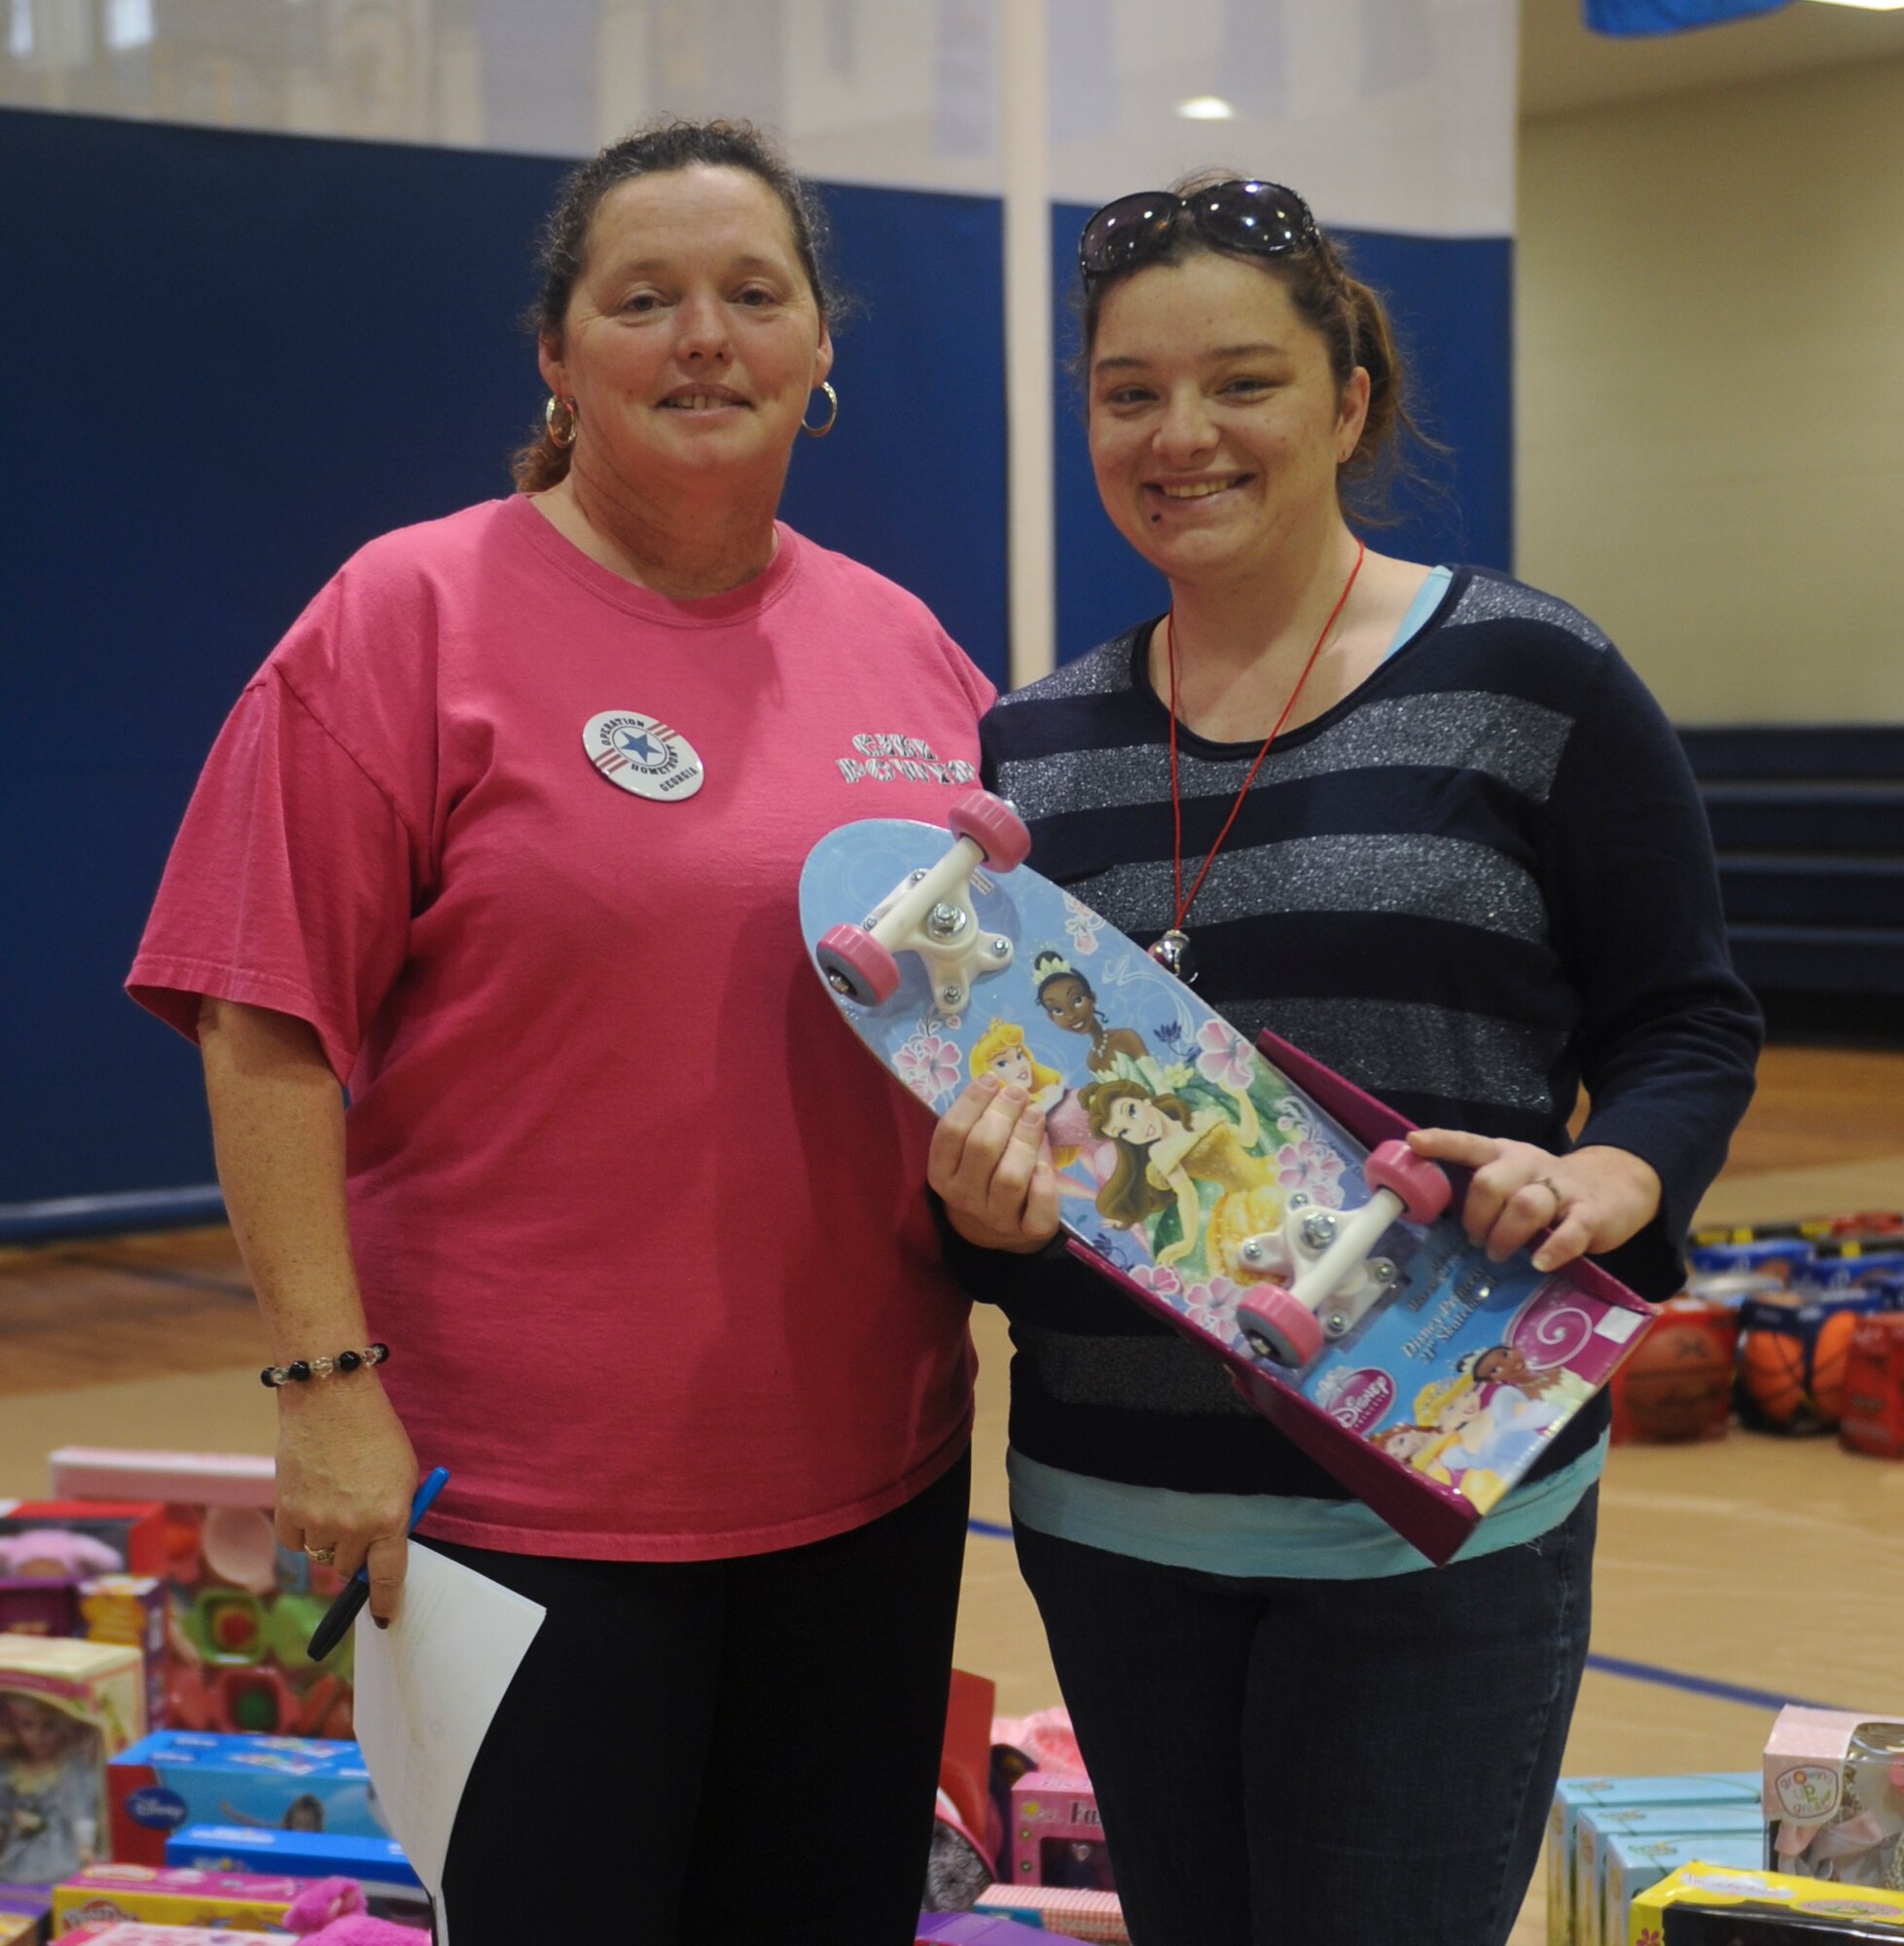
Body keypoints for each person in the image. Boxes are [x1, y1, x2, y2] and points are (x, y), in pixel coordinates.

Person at [128, 118, 993, 1945]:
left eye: (752, 294)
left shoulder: (904, 649)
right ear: (556, 353)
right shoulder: (407, 615)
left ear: (818, 348)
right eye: (644, 298)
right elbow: (262, 1021)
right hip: (521, 1507)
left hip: (870, 1480)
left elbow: (986, 1022)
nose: (705, 337)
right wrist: (325, 1391)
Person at [928, 174, 1761, 1946]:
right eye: (1129, 393)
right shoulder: (1030, 749)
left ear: (1346, 400)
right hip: (1114, 1517)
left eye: (1242, 381)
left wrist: (1602, 1180)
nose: (1181, 435)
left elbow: (1685, 1020)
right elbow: (1008, 1140)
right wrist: (975, 1215)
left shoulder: (1528, 678)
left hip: (1442, 1512)